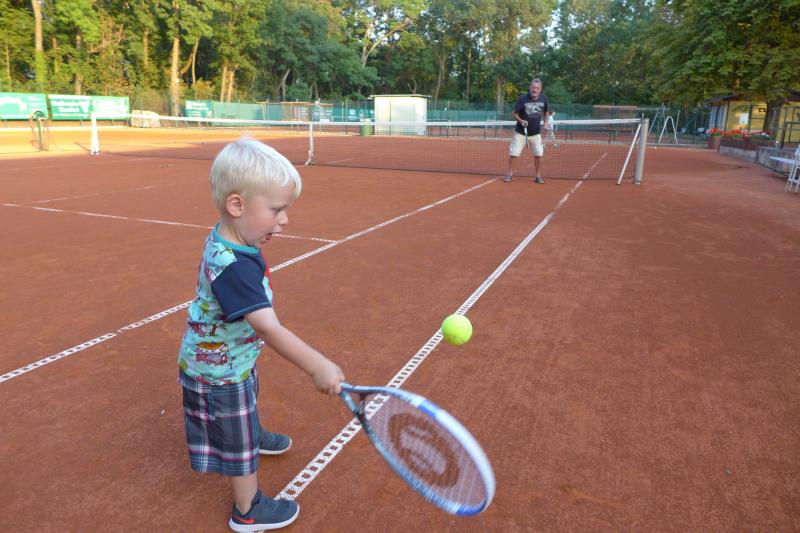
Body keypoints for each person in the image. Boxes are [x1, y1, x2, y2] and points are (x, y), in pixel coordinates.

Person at [177, 137, 345, 532]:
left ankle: (250, 432)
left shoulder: (232, 236)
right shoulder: (234, 267)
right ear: (237, 205)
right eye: (276, 210)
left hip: (232, 358)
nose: (284, 221)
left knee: (247, 401)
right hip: (218, 370)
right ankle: (247, 510)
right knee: (238, 446)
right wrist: (317, 365)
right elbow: (267, 326)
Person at [504, 78, 550, 184]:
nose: (535, 90)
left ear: (540, 89)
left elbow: (547, 111)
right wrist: (521, 121)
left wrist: (546, 122)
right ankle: (509, 174)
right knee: (514, 154)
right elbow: (514, 113)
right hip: (520, 133)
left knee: (538, 155)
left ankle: (538, 176)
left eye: (537, 88)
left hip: (536, 133)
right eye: (533, 87)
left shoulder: (544, 98)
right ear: (530, 88)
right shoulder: (523, 98)